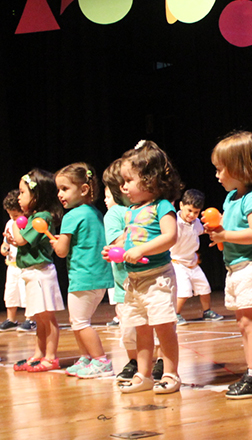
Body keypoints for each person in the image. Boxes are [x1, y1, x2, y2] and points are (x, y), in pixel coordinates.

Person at [104, 140, 182, 394]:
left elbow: (170, 236)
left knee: (164, 329)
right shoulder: (130, 211)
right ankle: (143, 375)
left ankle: (170, 374)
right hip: (134, 281)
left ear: (150, 180)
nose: (123, 187)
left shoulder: (163, 207)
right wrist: (115, 252)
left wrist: (141, 250)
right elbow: (128, 241)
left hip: (158, 279)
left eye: (128, 180)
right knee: (141, 331)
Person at [207, 131, 252, 399]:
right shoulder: (231, 198)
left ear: (238, 167)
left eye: (220, 169)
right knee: (243, 325)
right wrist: (219, 234)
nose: (217, 175)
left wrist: (225, 235)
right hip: (237, 269)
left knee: (251, 324)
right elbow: (232, 228)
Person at [54, 163, 116, 379]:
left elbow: (61, 251)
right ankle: (86, 358)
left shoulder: (71, 216)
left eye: (65, 188)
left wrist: (54, 242)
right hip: (100, 276)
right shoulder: (95, 212)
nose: (60, 194)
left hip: (83, 277)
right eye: (59, 190)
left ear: (83, 189)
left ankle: (101, 360)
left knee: (80, 322)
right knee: (78, 320)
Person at [9, 169, 65, 372]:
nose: (19, 197)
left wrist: (15, 222)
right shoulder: (33, 216)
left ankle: (51, 357)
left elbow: (22, 239)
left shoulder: (42, 217)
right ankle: (39, 354)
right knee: (38, 319)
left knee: (47, 318)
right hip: (31, 274)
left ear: (37, 195)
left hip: (41, 273)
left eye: (22, 192)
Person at [172, 189, 223, 324]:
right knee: (184, 290)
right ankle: (175, 314)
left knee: (204, 287)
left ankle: (207, 311)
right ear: (181, 205)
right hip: (177, 262)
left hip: (192, 263)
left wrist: (216, 226)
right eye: (189, 210)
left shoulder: (196, 223)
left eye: (196, 212)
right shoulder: (174, 222)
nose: (192, 215)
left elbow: (204, 230)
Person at [0, 190, 33, 332]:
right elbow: (5, 243)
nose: (13, 218)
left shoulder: (27, 223)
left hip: (25, 264)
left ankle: (31, 319)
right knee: (11, 293)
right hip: (12, 264)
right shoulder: (9, 223)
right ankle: (11, 319)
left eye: (15, 215)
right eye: (10, 215)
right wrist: (4, 248)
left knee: (26, 293)